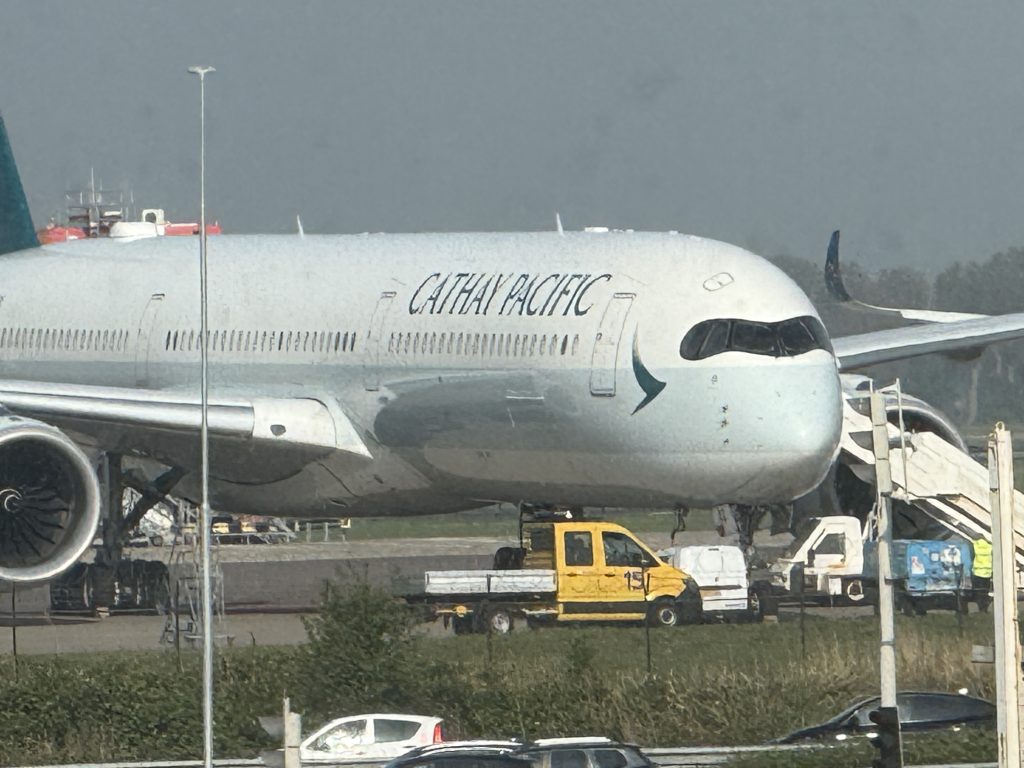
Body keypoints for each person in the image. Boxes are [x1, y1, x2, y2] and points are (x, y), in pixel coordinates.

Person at [972, 536, 993, 613]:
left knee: (979, 592)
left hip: (977, 572)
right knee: (985, 591)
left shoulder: (975, 545)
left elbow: (972, 557)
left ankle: (981, 608)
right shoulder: (990, 546)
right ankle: (985, 608)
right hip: (987, 572)